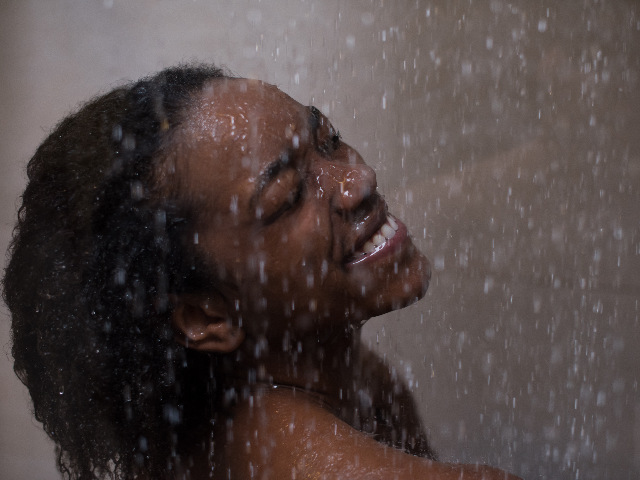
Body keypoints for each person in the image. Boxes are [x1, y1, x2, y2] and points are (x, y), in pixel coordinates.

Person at [3, 64, 520, 480]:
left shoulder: (343, 384)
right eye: (289, 197)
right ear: (206, 314)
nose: (358, 179)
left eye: (328, 139)